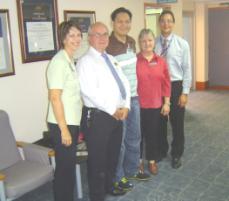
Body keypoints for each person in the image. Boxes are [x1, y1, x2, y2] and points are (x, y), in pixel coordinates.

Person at [77, 22, 131, 201]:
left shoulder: (111, 58)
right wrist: (112, 109)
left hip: (117, 116)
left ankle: (109, 186)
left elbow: (124, 83)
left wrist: (126, 106)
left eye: (105, 34)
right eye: (97, 34)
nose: (102, 38)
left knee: (112, 157)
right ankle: (97, 196)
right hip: (98, 118)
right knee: (98, 162)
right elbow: (89, 92)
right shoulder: (85, 62)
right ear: (89, 38)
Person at [106, 7, 150, 192]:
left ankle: (131, 170)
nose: (124, 24)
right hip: (119, 102)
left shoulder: (132, 42)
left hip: (134, 98)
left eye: (127, 21)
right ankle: (118, 177)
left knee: (135, 137)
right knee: (120, 141)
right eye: (120, 21)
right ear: (113, 23)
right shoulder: (107, 45)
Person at [46, 20, 83, 201]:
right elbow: (54, 97)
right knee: (64, 169)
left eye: (78, 35)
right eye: (71, 35)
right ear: (63, 38)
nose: (76, 39)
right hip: (62, 124)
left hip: (71, 121)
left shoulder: (70, 59)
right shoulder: (59, 61)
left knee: (68, 167)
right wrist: (64, 129)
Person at [155, 10, 192, 169]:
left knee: (177, 123)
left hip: (176, 85)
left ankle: (177, 153)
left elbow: (187, 69)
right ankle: (162, 150)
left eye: (169, 21)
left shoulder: (182, 43)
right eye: (163, 20)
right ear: (159, 23)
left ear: (173, 23)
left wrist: (185, 92)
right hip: (158, 87)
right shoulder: (153, 42)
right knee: (159, 122)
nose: (166, 24)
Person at [137, 28, 171, 175]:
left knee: (152, 134)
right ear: (139, 43)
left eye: (150, 40)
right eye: (143, 41)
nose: (147, 43)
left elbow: (167, 83)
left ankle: (151, 161)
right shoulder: (134, 60)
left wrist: (167, 102)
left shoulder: (161, 61)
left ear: (154, 42)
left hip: (156, 105)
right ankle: (138, 161)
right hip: (138, 105)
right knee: (137, 136)